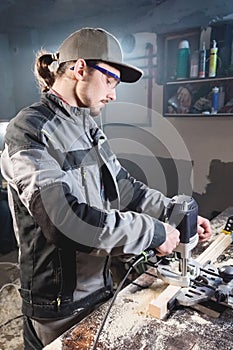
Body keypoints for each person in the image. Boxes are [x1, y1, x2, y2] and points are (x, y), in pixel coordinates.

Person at [0, 27, 211, 349]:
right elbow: (64, 222)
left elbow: (122, 187)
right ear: (80, 68)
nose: (113, 93)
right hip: (59, 298)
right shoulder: (29, 130)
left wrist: (173, 214)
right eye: (110, 80)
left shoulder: (87, 126)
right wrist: (153, 232)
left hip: (100, 282)